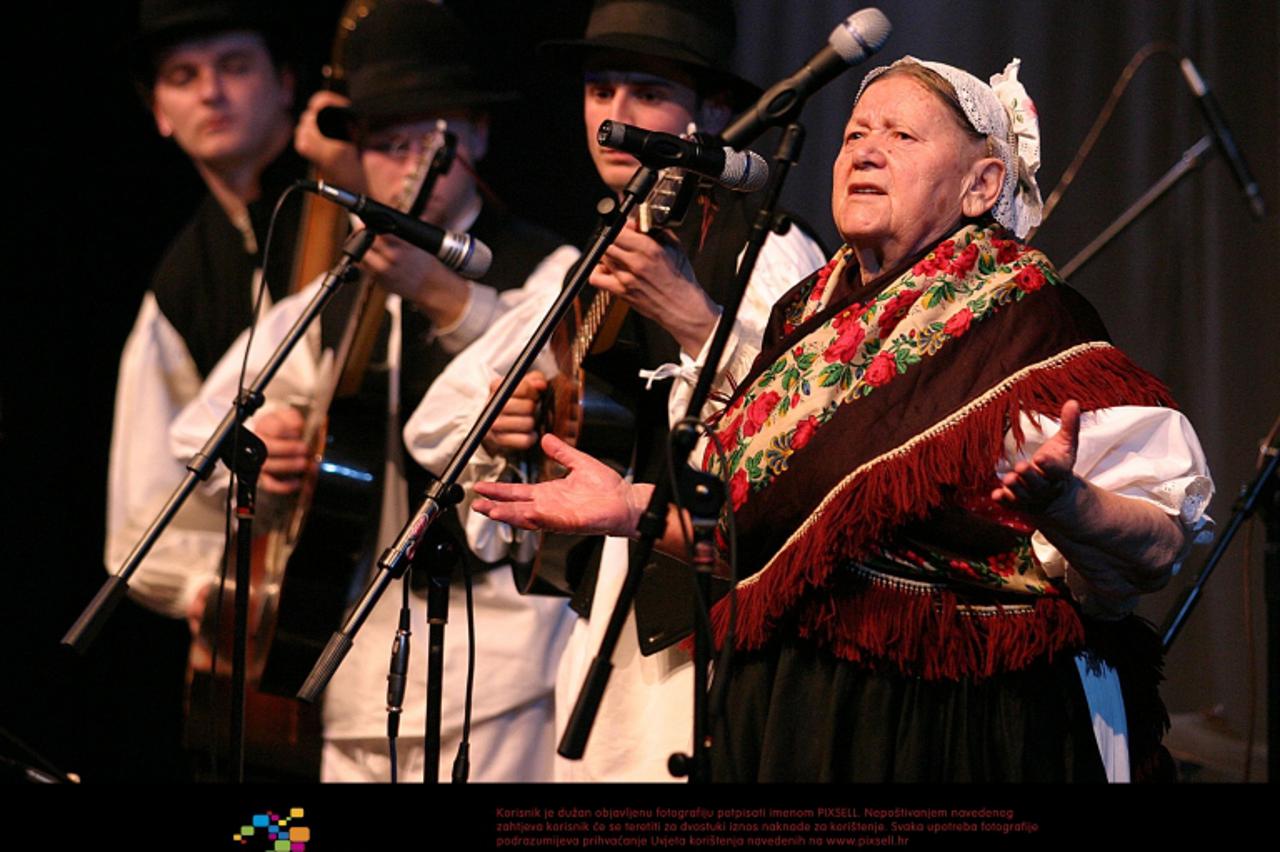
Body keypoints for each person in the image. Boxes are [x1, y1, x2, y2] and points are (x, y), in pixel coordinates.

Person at [473, 56, 1214, 782]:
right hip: (793, 710)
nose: (866, 151)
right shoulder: (805, 314)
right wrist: (633, 508)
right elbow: (756, 535)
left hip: (955, 718)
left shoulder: (1031, 325)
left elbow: (1159, 544)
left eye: (901, 136)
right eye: (856, 133)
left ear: (982, 184)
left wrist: (1070, 503)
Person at [405, 0, 826, 781]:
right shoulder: (591, 258)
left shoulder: (766, 243)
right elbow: (436, 426)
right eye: (600, 92)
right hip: (605, 623)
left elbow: (810, 430)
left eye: (646, 94)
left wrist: (697, 321)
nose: (615, 118)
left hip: (711, 628)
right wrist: (512, 425)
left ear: (715, 112)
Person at [170, 0, 580, 781]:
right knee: (281, 836)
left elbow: (547, 377)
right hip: (352, 659)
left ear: (479, 137)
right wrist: (264, 451)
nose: (409, 166)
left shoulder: (547, 268)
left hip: (499, 663)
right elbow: (196, 433)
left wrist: (448, 300)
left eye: (430, 142)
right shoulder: (343, 289)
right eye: (386, 147)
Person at [107, 0, 300, 625]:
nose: (211, 94)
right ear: (160, 113)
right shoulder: (180, 283)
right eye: (183, 77)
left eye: (235, 67)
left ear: (286, 85)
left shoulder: (351, 215)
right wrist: (203, 588)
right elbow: (139, 510)